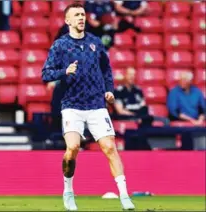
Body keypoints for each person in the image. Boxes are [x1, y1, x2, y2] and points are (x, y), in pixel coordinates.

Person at [42, 3, 135, 211]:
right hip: (72, 105)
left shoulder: (95, 43)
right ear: (67, 21)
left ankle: (125, 196)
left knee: (110, 147)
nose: (81, 18)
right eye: (76, 15)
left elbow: (106, 70)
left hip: (96, 105)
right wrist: (64, 71)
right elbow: (46, 74)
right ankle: (68, 190)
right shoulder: (60, 46)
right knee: (73, 148)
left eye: (82, 14)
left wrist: (109, 90)